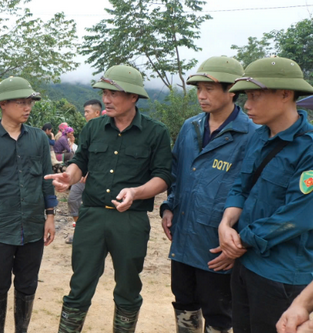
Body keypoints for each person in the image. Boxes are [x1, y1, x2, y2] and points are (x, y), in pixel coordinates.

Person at [46, 65, 173, 333]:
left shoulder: (155, 132)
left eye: (114, 93)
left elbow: (163, 176)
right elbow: (80, 161)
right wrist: (69, 176)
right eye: (105, 92)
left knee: (128, 286)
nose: (107, 99)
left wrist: (136, 192)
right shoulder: (93, 128)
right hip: (91, 216)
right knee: (79, 283)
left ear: (134, 97)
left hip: (131, 220)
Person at [159, 56, 257, 333]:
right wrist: (168, 207)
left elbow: (253, 194)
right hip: (183, 239)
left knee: (219, 313)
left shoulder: (252, 135)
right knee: (184, 303)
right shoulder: (191, 128)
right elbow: (176, 175)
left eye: (210, 89)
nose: (201, 95)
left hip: (219, 245)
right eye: (199, 89)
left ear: (232, 92)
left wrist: (239, 246)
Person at [216, 56, 313, 333]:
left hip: (281, 274)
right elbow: (241, 186)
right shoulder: (258, 137)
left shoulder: (308, 149)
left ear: (285, 94)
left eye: (256, 96)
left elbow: (298, 216)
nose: (247, 104)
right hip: (246, 265)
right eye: (247, 96)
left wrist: (241, 240)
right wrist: (226, 224)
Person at [0, 76, 57, 333]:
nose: (27, 107)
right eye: (21, 102)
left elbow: (46, 180)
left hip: (33, 226)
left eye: (29, 101)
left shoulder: (39, 139)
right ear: (3, 104)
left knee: (28, 284)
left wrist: (50, 216)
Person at [66, 99, 103, 244]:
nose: (85, 114)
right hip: (81, 175)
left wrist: (89, 171)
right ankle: (81, 230)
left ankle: (89, 234)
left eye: (87, 112)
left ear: (97, 112)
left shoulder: (105, 131)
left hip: (95, 177)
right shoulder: (87, 129)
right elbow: (82, 155)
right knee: (73, 199)